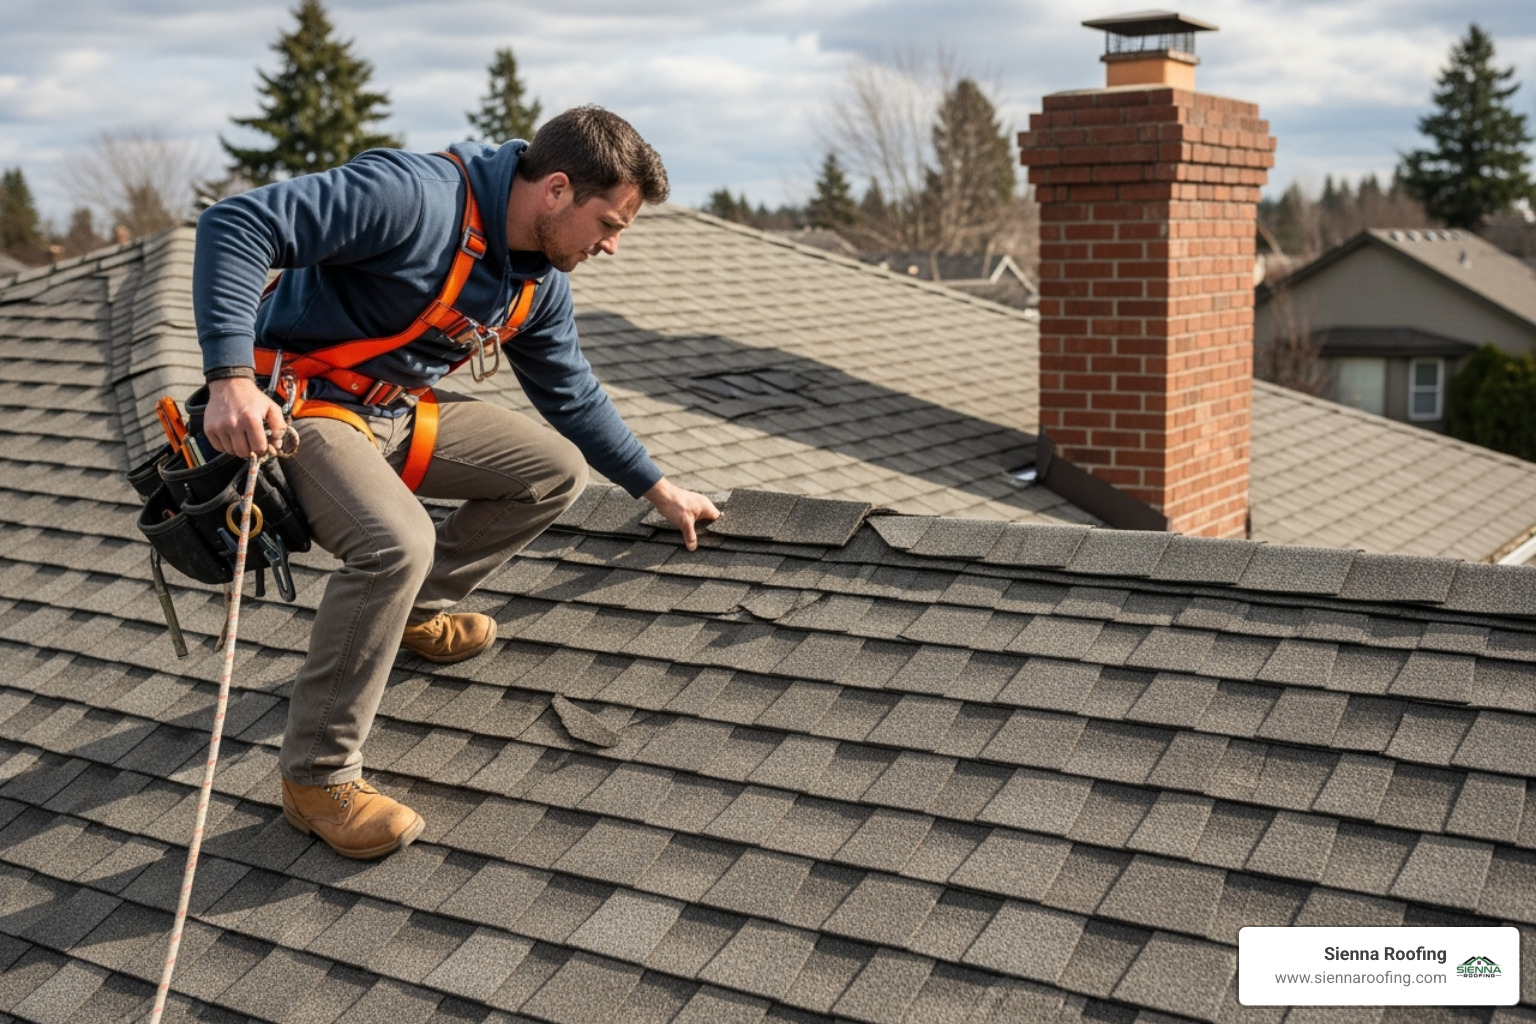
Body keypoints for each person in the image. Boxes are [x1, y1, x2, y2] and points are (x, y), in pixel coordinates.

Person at [193, 106, 719, 859]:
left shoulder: (536, 284)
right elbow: (235, 225)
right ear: (557, 190)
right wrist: (230, 380)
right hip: (295, 404)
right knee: (395, 544)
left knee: (552, 472)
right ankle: (316, 779)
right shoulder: (411, 198)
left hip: (392, 412)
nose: (610, 247)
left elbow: (572, 394)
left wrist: (657, 488)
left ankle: (413, 613)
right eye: (610, 224)